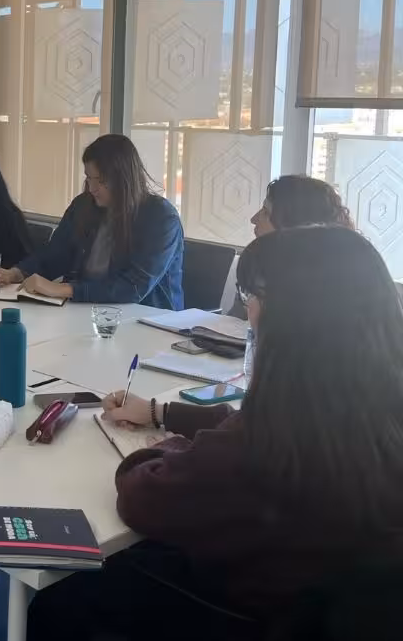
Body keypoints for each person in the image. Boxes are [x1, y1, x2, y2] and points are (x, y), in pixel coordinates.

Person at [27, 225, 403, 640]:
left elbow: (141, 496)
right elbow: (253, 423)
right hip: (330, 608)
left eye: (251, 299)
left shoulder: (256, 448)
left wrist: (167, 445)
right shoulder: (365, 409)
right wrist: (163, 413)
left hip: (243, 612)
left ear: (290, 318)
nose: (250, 314)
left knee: (58, 602)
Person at [0, 134, 184, 309]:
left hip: (147, 321)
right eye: (89, 179)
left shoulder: (162, 218)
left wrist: (64, 289)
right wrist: (15, 273)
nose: (92, 188)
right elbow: (55, 254)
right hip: (85, 312)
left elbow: (133, 287)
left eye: (101, 181)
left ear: (124, 179)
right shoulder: (84, 205)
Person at [228, 174, 354, 317]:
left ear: (294, 225)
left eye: (266, 212)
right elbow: (231, 325)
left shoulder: (335, 286)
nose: (253, 219)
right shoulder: (257, 265)